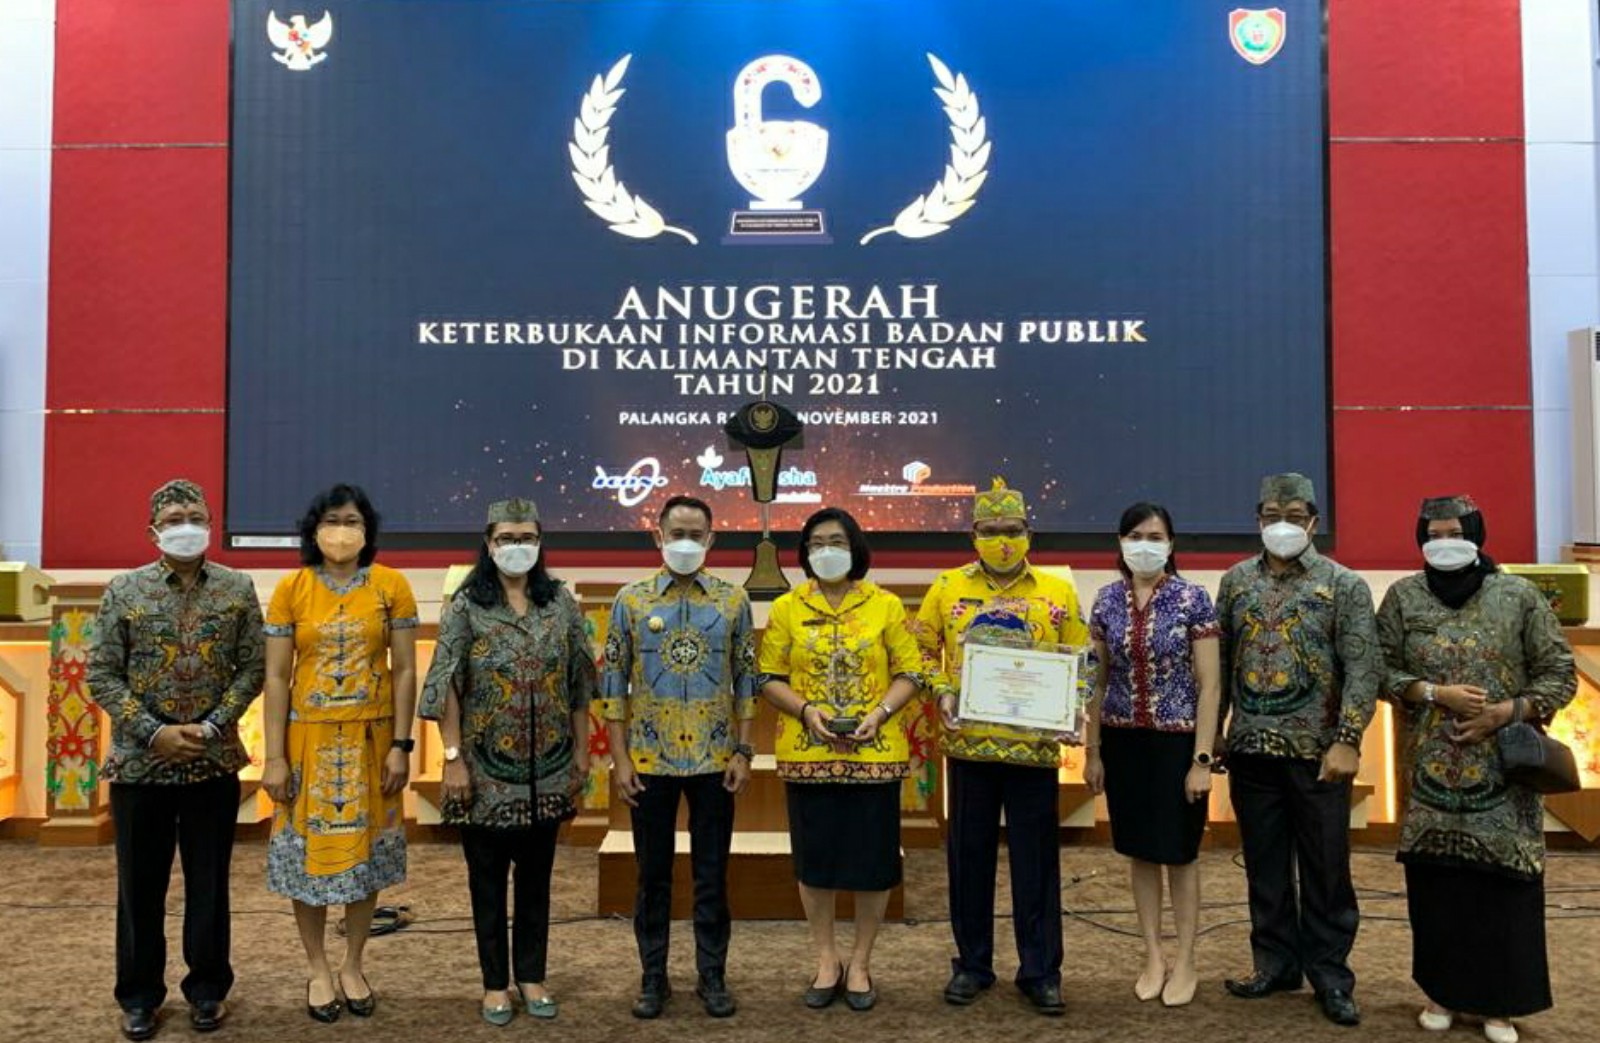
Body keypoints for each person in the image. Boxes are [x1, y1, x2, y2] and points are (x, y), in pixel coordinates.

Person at [1376, 496, 1576, 1043]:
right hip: (1430, 776)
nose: (1444, 542)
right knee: (1437, 887)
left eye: (1454, 532)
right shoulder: (1403, 598)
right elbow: (1378, 669)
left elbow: (1559, 673)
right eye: (1433, 534)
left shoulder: (1518, 596)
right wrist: (1432, 692)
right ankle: (1442, 994)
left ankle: (1499, 1006)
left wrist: (1505, 712)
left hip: (1503, 779)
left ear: (1476, 535)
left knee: (1501, 889)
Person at [88, 480, 266, 1041]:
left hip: (212, 763)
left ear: (210, 525)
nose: (185, 525)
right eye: (173, 519)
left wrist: (212, 726)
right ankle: (139, 996)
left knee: (209, 885)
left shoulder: (237, 588)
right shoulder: (124, 590)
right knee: (139, 888)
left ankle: (208, 989)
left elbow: (252, 668)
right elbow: (102, 674)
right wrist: (155, 733)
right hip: (140, 767)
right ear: (153, 531)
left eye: (194, 516)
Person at [419, 499, 595, 1025]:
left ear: (540, 542)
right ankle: (495, 983)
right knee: (488, 883)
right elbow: (446, 684)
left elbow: (580, 683)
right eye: (506, 538)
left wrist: (582, 752)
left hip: (550, 769)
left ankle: (532, 976)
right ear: (489, 543)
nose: (517, 547)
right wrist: (452, 758)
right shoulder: (467, 606)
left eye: (526, 537)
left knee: (537, 881)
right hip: (483, 773)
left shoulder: (560, 603)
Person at [914, 478, 1086, 1015]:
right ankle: (972, 964)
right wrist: (941, 690)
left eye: (1012, 530)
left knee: (1037, 864)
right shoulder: (947, 587)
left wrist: (1074, 706)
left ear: (1029, 532)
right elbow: (920, 651)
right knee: (969, 860)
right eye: (991, 531)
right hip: (970, 748)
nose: (1003, 540)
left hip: (1035, 749)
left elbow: (1081, 658)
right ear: (974, 534)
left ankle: (1041, 971)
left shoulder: (1056, 591)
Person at [1215, 472, 1381, 1026]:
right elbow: (1221, 663)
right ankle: (1275, 963)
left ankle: (1330, 976)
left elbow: (1363, 668)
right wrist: (1214, 730)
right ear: (1257, 520)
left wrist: (1348, 739)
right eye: (1271, 516)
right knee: (1264, 867)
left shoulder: (1343, 585)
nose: (1280, 525)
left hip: (1319, 754)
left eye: (1292, 516)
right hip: (1250, 749)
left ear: (1313, 521)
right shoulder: (1236, 581)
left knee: (1326, 870)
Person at [260, 484, 419, 1023]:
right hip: (307, 742)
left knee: (364, 860)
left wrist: (401, 745)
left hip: (373, 743)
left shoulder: (392, 586)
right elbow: (276, 677)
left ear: (367, 530)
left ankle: (353, 963)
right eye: (332, 520)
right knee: (305, 861)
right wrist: (275, 757)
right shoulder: (292, 588)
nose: (342, 531)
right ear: (314, 530)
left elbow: (405, 671)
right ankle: (318, 968)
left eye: (352, 521)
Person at [759, 506, 924, 1012]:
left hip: (876, 752)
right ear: (804, 553)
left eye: (836, 541)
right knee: (817, 863)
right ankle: (827, 959)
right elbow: (768, 677)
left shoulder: (885, 605)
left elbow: (911, 672)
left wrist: (880, 712)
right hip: (807, 753)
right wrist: (806, 711)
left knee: (873, 864)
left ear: (855, 548)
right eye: (816, 544)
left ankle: (861, 962)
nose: (826, 551)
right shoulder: (787, 607)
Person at [601, 495, 757, 1019]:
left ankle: (713, 975)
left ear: (711, 539)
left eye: (695, 534)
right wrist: (620, 759)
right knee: (653, 876)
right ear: (658, 536)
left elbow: (746, 679)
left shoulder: (733, 601)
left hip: (716, 760)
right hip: (649, 760)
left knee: (712, 874)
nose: (685, 542)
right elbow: (612, 684)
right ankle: (654, 977)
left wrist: (743, 749)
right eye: (677, 533)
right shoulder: (630, 601)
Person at [1083, 502, 1221, 1007]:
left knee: (1180, 854)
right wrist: (1092, 751)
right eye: (1136, 535)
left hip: (1177, 744)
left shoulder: (1193, 599)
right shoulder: (1105, 601)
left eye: (1156, 536)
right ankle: (1153, 956)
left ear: (1171, 543)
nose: (1145, 544)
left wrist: (1202, 760)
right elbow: (1096, 682)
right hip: (1123, 742)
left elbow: (1209, 686)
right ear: (1121, 542)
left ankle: (1186, 959)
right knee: (1139, 851)